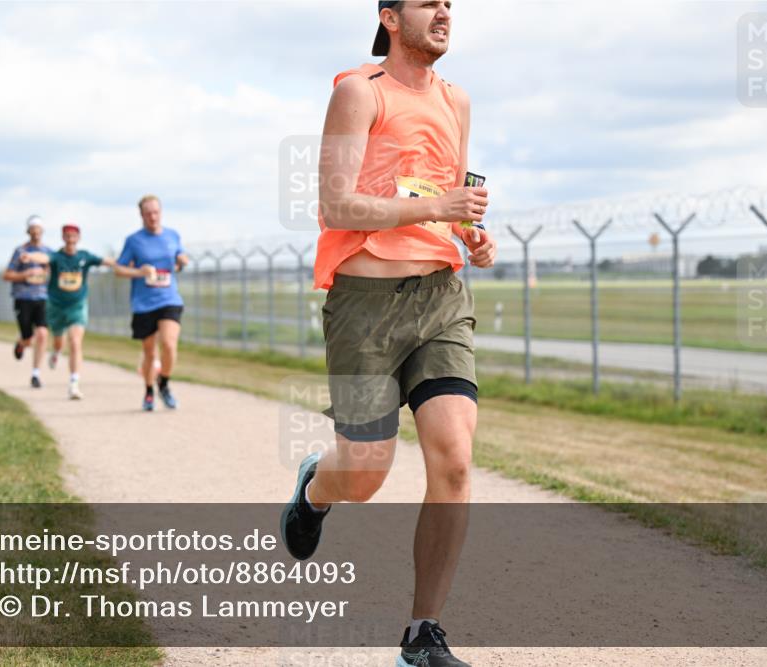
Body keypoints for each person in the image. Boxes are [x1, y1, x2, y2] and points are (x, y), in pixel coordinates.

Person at [279, 3, 497, 666]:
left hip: (439, 299)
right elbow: (337, 203)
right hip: (363, 304)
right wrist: (439, 207)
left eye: (450, 5)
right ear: (391, 18)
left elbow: (448, 190)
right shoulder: (358, 93)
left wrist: (470, 234)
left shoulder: (457, 100)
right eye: (429, 2)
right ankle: (318, 486)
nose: (445, 13)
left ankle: (422, 633)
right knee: (366, 471)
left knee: (455, 458)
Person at [22, 223, 148, 399]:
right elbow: (43, 257)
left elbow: (107, 261)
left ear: (78, 238)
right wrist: (30, 256)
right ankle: (57, 352)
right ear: (63, 237)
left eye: (74, 235)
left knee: (75, 341)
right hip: (57, 306)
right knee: (59, 341)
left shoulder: (85, 257)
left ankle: (74, 383)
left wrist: (128, 263)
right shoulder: (57, 257)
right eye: (67, 235)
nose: (70, 239)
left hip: (77, 305)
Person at [117, 195, 189, 411]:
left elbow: (179, 259)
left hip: (169, 298)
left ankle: (164, 383)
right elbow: (119, 269)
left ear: (161, 212)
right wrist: (139, 271)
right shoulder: (134, 240)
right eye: (148, 213)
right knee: (150, 352)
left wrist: (182, 261)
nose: (153, 217)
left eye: (156, 212)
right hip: (143, 302)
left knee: (168, 343)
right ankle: (148, 391)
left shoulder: (172, 235)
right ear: (141, 215)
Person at [3, 215, 51, 388]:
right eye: (33, 229)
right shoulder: (20, 251)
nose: (36, 232)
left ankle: (36, 374)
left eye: (39, 229)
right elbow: (7, 274)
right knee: (29, 338)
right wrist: (24, 275)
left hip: (43, 298)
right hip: (23, 298)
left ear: (42, 231)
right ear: (28, 231)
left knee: (43, 334)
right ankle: (21, 342)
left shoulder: (48, 252)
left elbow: (54, 271)